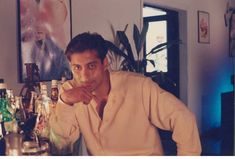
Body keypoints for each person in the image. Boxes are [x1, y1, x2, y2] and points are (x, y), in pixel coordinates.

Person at [49, 32, 202, 155]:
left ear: (105, 63)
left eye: (91, 66)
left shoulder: (139, 86)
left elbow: (183, 118)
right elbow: (62, 142)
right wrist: (65, 101)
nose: (84, 77)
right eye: (77, 68)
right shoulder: (70, 91)